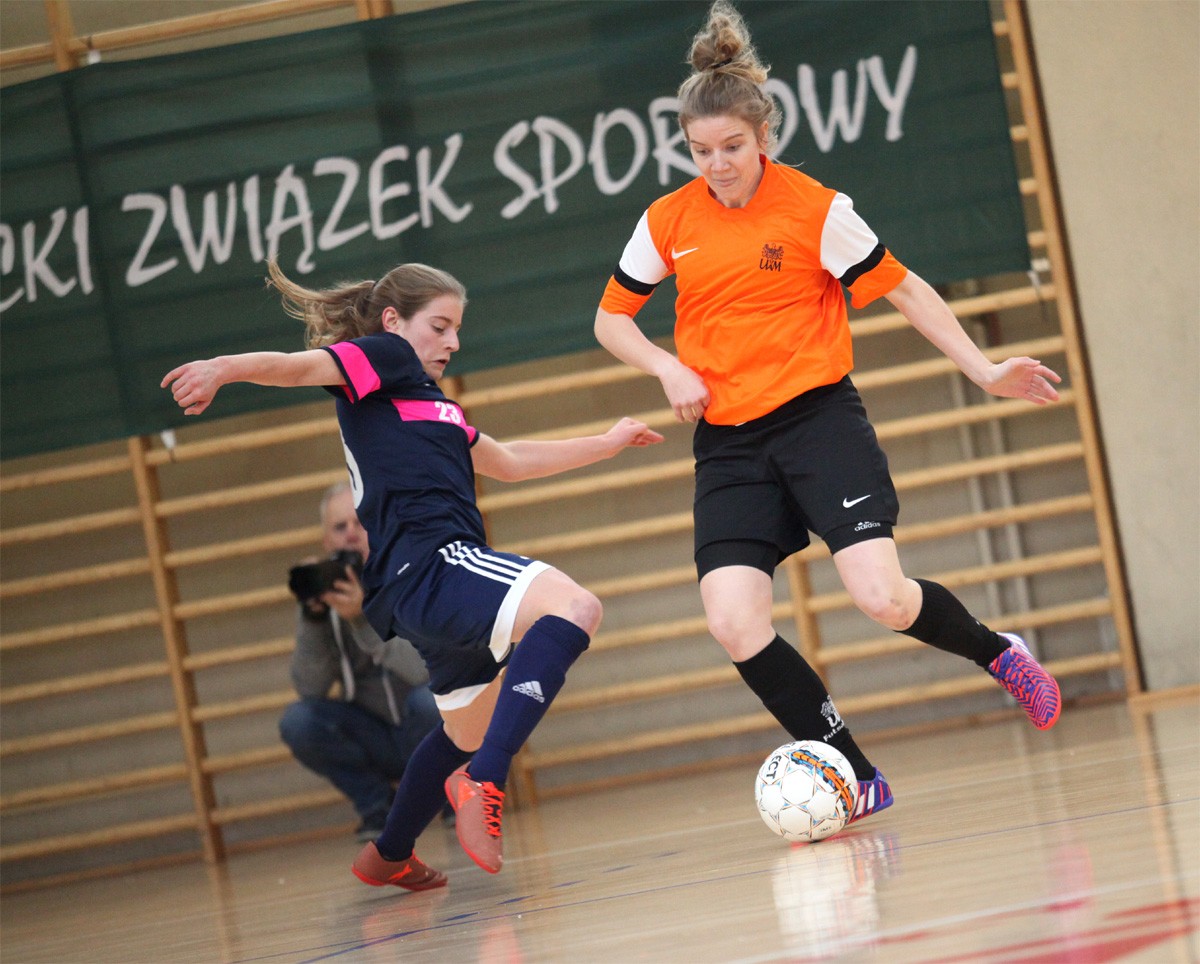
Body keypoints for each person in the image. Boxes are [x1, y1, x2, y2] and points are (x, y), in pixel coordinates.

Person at [594, 0, 1062, 826]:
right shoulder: (668, 219)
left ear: (763, 136)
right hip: (729, 443)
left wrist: (985, 370)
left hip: (818, 424)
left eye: (732, 147)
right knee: (732, 621)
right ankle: (856, 773)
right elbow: (611, 319)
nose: (718, 165)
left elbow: (907, 290)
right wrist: (667, 365)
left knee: (882, 599)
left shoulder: (815, 209)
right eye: (701, 151)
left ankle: (998, 653)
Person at [163, 261, 663, 890]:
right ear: (394, 322)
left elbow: (509, 461)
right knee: (576, 608)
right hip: (437, 562)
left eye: (457, 329)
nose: (452, 342)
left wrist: (606, 442)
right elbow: (299, 367)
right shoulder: (387, 356)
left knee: (463, 729)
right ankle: (485, 780)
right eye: (440, 326)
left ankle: (390, 852)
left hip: (415, 587)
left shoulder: (428, 403)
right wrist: (222, 368)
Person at [280, 481, 450, 842]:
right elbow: (310, 689)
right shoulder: (325, 595)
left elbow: (424, 671)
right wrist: (312, 617)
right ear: (326, 541)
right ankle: (377, 806)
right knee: (299, 721)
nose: (351, 535)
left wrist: (362, 619)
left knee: (430, 700)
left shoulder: (410, 576)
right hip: (376, 736)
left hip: (426, 728)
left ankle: (451, 794)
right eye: (340, 527)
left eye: (360, 523)